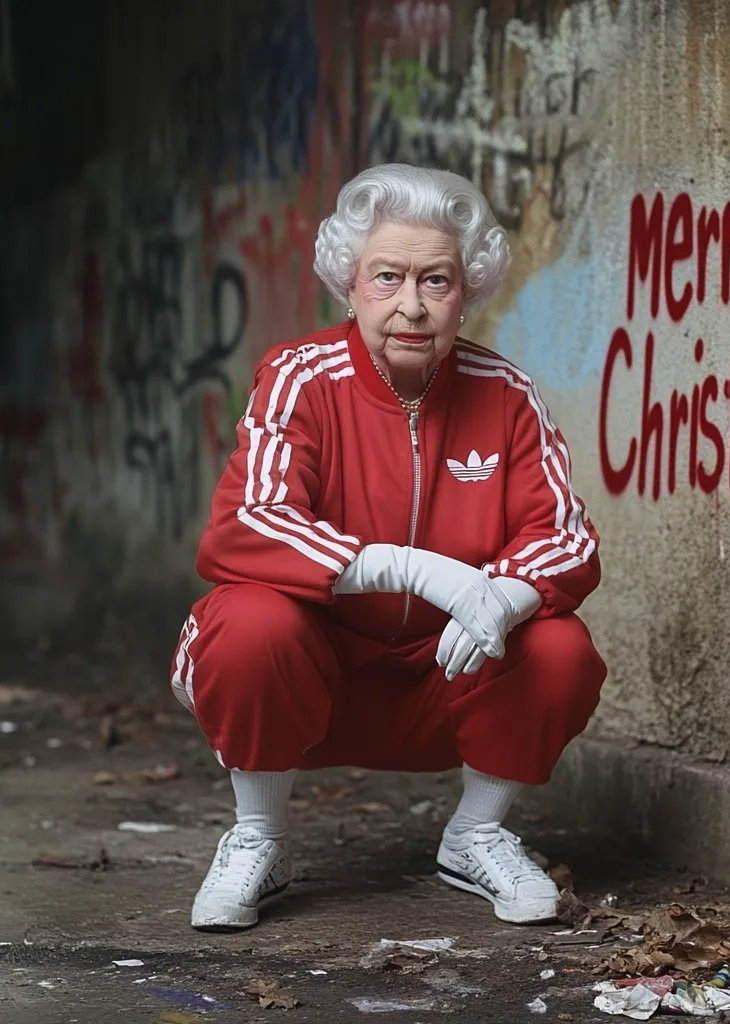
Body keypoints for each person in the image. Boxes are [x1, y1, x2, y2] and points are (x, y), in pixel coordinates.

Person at [170, 163, 605, 932]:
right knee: (247, 623)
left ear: (466, 290)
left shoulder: (507, 396)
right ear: (351, 284)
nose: (411, 305)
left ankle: (475, 835)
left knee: (560, 646)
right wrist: (403, 566)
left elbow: (564, 536)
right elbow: (249, 520)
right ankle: (261, 836)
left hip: (445, 677)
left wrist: (502, 592)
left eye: (436, 280)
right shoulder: (300, 377)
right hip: (318, 675)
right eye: (388, 277)